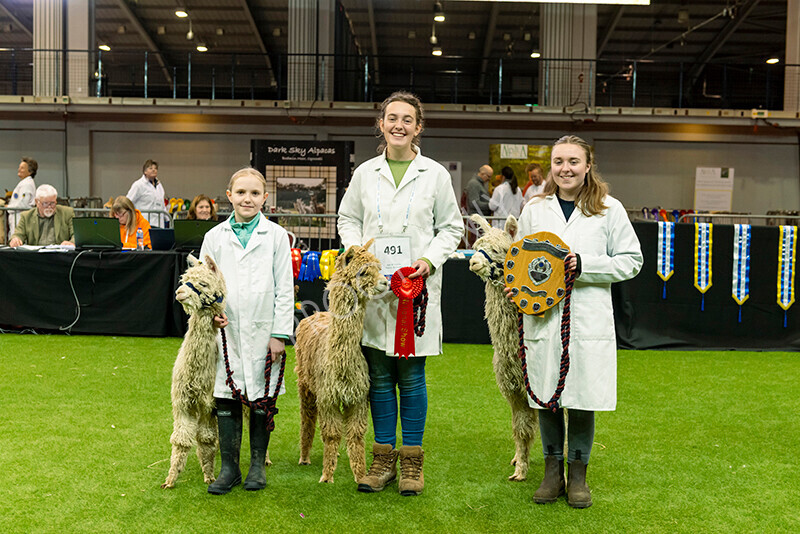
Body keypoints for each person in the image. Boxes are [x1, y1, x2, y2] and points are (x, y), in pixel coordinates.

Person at [338, 91, 463, 496]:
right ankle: (382, 460)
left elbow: (451, 228)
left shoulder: (435, 174)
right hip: (373, 292)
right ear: (381, 124)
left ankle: (411, 464)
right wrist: (357, 252)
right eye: (392, 118)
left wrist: (428, 261)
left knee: (411, 378)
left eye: (407, 119)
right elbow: (347, 218)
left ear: (418, 127)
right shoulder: (364, 173)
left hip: (417, 292)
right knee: (377, 377)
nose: (399, 125)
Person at [512, 135, 642, 508]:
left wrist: (586, 266)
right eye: (558, 162)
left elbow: (631, 260)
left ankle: (578, 472)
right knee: (547, 396)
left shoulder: (609, 209)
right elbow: (521, 260)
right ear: (551, 166)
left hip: (587, 317)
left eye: (573, 161)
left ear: (588, 166)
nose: (565, 169)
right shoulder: (535, 209)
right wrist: (516, 286)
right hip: (542, 317)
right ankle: (552, 471)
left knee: (583, 397)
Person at [200, 167, 294, 495]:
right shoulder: (214, 237)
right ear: (229, 196)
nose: (247, 199)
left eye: (255, 193)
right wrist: (211, 314)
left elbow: (285, 288)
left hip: (264, 330)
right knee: (226, 396)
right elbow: (204, 284)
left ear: (265, 198)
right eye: (241, 193)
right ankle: (230, 468)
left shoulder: (277, 236)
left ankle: (256, 465)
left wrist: (280, 333)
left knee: (260, 398)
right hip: (226, 332)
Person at [9, 184, 74, 247]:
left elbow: (76, 235)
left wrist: (71, 242)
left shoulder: (67, 213)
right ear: (37, 202)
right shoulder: (26, 216)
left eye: (52, 203)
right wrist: (16, 239)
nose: (49, 207)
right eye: (45, 203)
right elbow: (18, 234)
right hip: (36, 256)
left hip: (59, 255)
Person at [127, 159, 168, 228]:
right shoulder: (138, 185)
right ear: (145, 171)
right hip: (144, 223)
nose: (153, 170)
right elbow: (128, 201)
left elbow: (162, 204)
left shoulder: (159, 185)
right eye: (150, 168)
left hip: (158, 223)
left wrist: (168, 218)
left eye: (155, 168)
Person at [7, 157, 38, 237]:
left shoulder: (27, 184)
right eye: (19, 167)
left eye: (22, 168)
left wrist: (9, 207)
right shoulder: (24, 183)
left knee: (17, 239)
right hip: (17, 216)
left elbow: (23, 203)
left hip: (20, 217)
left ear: (30, 171)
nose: (19, 169)